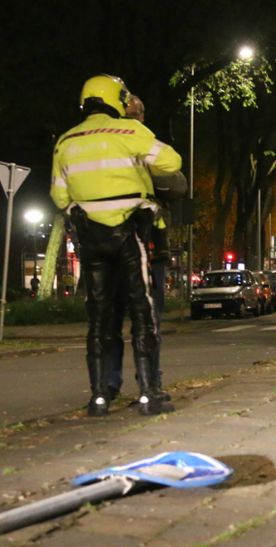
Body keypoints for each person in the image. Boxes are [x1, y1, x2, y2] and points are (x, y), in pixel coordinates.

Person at [50, 74, 182, 417]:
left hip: (92, 241)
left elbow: (59, 194)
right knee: (142, 312)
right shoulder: (129, 132)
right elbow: (173, 164)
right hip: (131, 235)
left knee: (100, 318)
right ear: (115, 98)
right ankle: (149, 393)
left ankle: (99, 397)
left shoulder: (66, 140)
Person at [102, 94, 186, 403]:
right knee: (119, 320)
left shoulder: (143, 143)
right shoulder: (118, 144)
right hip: (124, 244)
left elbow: (176, 185)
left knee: (143, 321)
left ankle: (143, 382)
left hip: (146, 247)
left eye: (137, 115)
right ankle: (118, 385)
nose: (134, 120)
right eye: (129, 114)